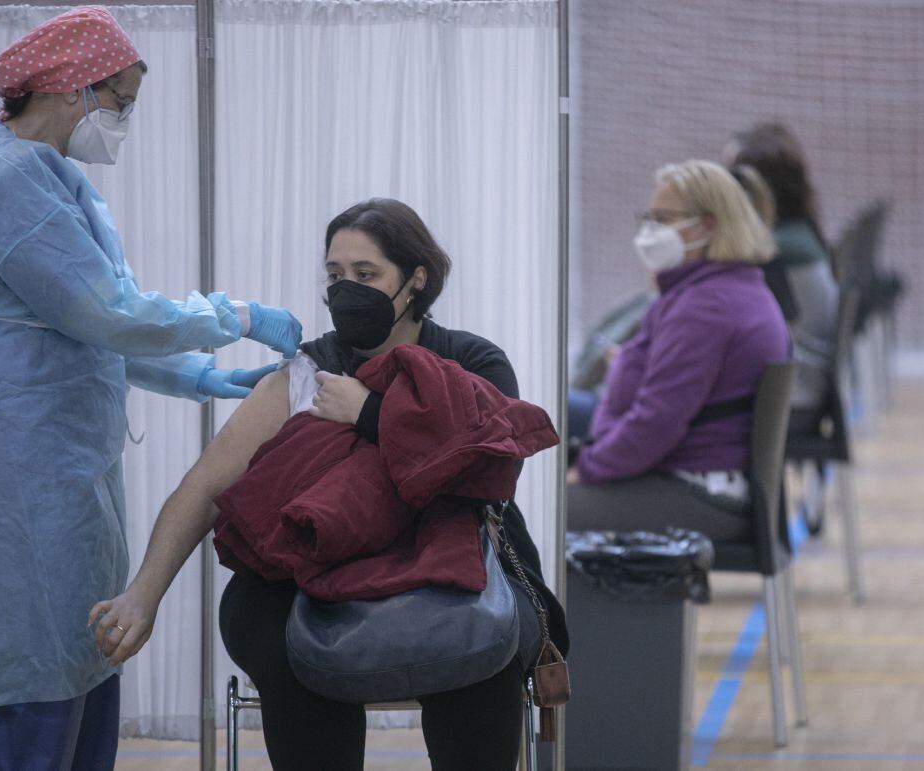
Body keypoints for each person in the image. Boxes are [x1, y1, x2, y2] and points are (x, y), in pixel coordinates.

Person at [0, 7, 302, 768]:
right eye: (120, 101)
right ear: (73, 89)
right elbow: (108, 311)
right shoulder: (4, 178)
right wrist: (237, 314)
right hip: (11, 473)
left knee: (81, 661)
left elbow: (88, 326)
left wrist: (206, 377)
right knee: (28, 682)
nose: (122, 120)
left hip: (55, 470)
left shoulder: (50, 177)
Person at [90, 198, 568, 771]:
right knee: (282, 646)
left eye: (366, 275)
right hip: (313, 565)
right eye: (335, 276)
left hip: (446, 557)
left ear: (415, 279)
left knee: (482, 653)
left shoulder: (471, 363)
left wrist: (370, 413)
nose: (346, 291)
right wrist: (143, 594)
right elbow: (204, 487)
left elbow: (484, 472)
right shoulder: (303, 373)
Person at [566, 160, 788, 543]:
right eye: (649, 218)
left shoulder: (705, 307)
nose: (650, 232)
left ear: (708, 225)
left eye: (664, 219)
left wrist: (585, 471)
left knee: (536, 514)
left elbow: (655, 424)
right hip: (697, 478)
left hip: (696, 493)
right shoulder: (725, 288)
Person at [723, 122, 839, 409]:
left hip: (789, 391)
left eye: (729, 178)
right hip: (798, 380)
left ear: (758, 188)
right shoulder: (797, 232)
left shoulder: (774, 249)